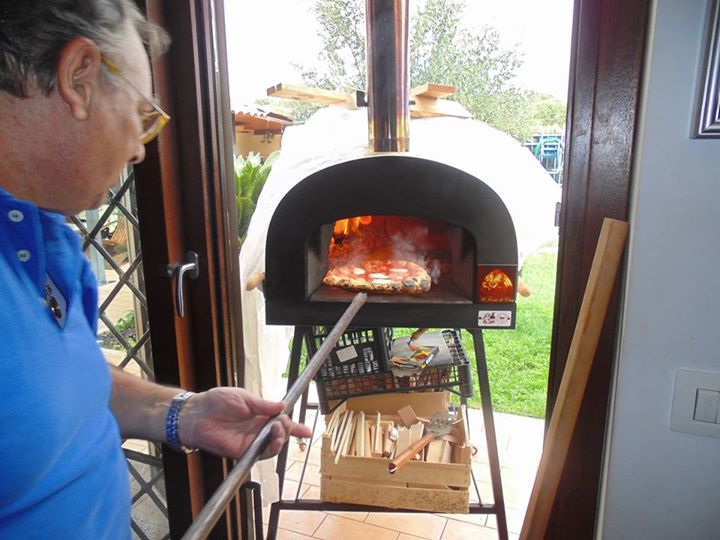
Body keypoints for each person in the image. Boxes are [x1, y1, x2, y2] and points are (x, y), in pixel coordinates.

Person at [0, 1, 311, 537]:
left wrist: (181, 412)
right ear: (79, 77)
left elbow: (56, 384)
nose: (142, 152)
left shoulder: (49, 241)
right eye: (144, 114)